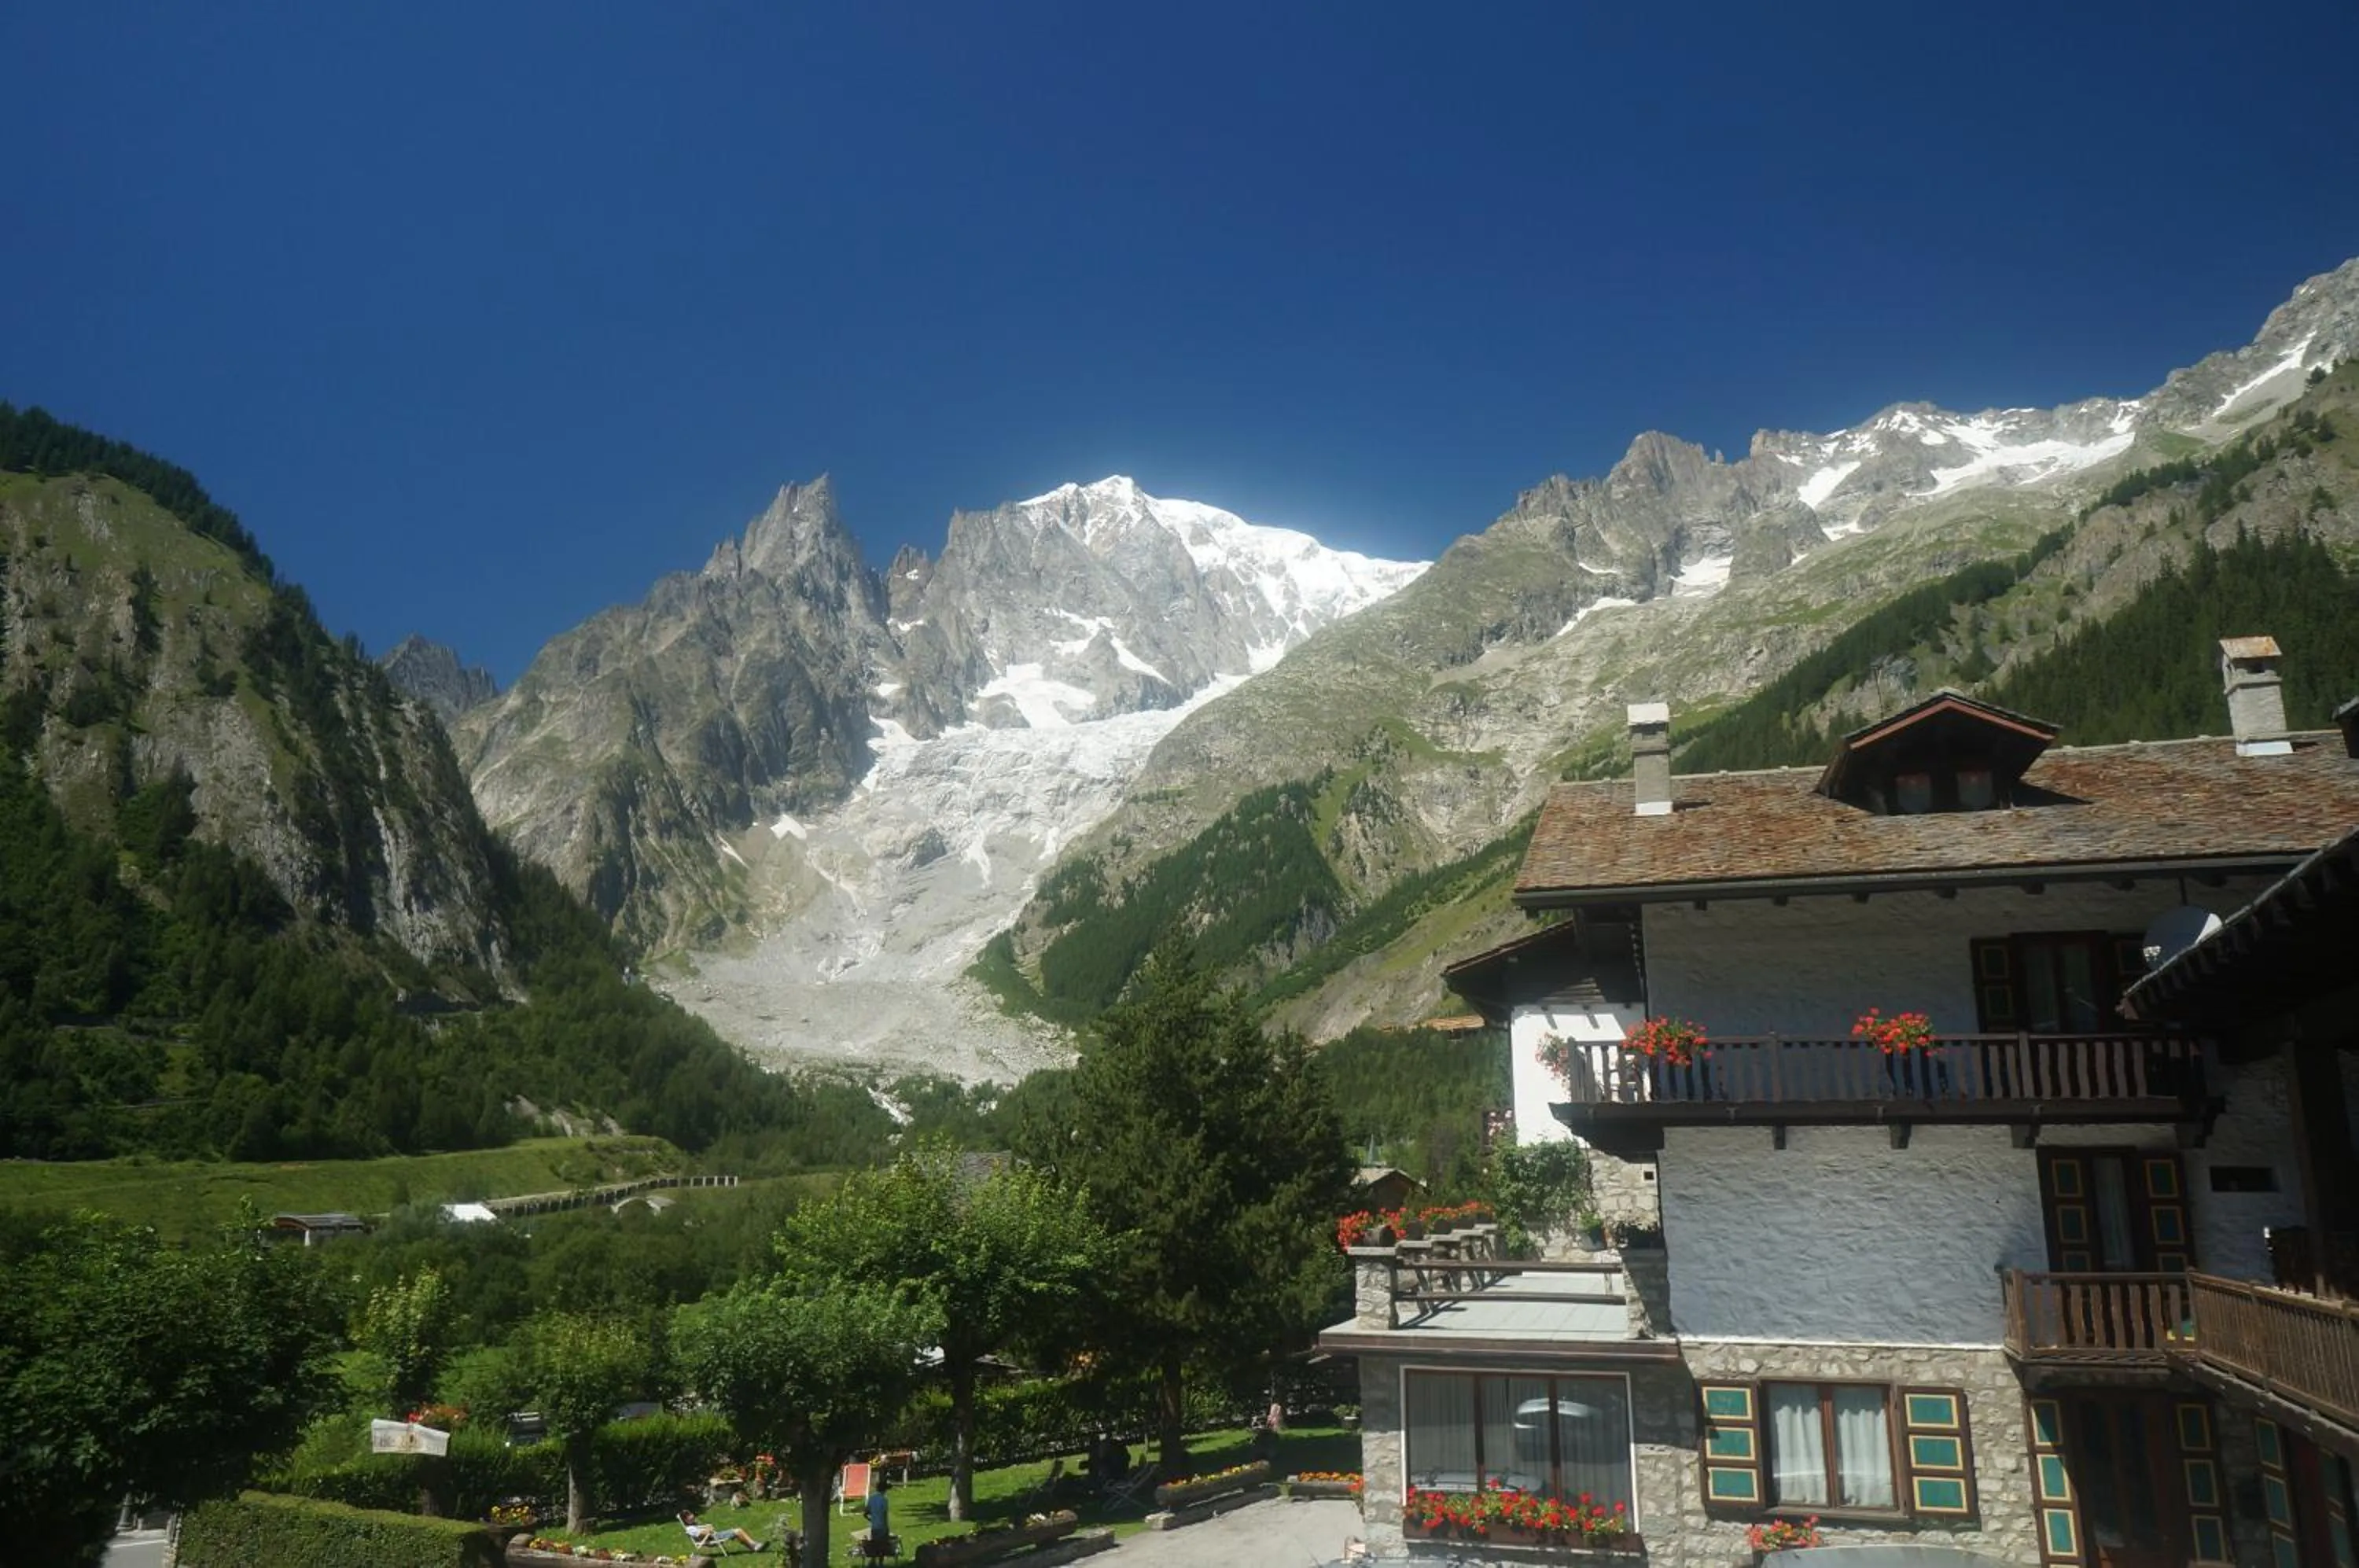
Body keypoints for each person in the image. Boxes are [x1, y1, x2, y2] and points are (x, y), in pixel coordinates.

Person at [679, 1510, 764, 1554]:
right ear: (685, 1520)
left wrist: (708, 1528)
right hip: (713, 1538)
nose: (692, 1516)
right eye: (689, 1516)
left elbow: (705, 1531)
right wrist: (708, 1530)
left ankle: (753, 1547)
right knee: (738, 1530)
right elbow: (702, 1534)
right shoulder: (690, 1529)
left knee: (737, 1534)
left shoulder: (693, 1525)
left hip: (714, 1535)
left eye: (690, 1514)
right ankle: (754, 1544)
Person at [866, 1474, 891, 1554]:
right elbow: (884, 1514)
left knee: (875, 1547)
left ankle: (874, 1561)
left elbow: (866, 1513)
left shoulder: (871, 1498)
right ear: (884, 1490)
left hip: (874, 1527)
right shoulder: (884, 1500)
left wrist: (871, 1519)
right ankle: (881, 1562)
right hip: (882, 1527)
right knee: (883, 1548)